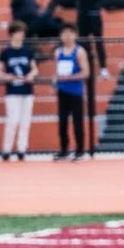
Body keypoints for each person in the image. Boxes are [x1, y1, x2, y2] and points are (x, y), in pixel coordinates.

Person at [0, 22, 38, 161]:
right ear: (12, 33)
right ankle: (6, 149)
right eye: (19, 32)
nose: (21, 35)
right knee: (12, 120)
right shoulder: (6, 52)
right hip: (12, 90)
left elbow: (34, 69)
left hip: (27, 90)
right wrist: (9, 77)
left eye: (22, 32)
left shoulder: (28, 51)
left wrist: (31, 75)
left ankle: (21, 149)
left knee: (25, 122)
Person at [48, 25, 91, 157]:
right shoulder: (58, 52)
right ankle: (64, 149)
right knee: (62, 121)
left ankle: (80, 149)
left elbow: (86, 72)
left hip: (75, 91)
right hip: (62, 90)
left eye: (69, 33)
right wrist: (55, 82)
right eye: (64, 33)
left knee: (78, 121)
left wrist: (70, 77)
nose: (67, 36)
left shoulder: (79, 51)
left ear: (75, 35)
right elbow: (56, 71)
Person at [74, 0, 112, 77]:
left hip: (94, 14)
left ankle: (103, 67)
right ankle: (85, 68)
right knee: (83, 42)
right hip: (83, 15)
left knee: (98, 42)